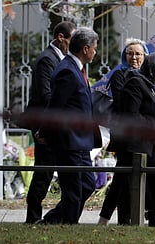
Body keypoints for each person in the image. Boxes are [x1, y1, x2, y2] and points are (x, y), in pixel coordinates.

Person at [37, 27, 99, 225]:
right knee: (73, 189)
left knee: (87, 185)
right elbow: (56, 106)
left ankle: (53, 219)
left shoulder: (75, 68)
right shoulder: (67, 71)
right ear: (85, 48)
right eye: (94, 49)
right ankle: (69, 226)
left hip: (81, 141)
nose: (96, 52)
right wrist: (44, 132)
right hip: (70, 140)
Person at [105, 53, 155, 226]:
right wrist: (154, 127)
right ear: (154, 69)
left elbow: (154, 112)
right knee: (125, 186)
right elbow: (131, 115)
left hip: (150, 144)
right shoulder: (136, 82)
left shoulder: (149, 85)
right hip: (136, 145)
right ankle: (128, 221)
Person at [24, 21, 76, 224]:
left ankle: (51, 216)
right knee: (43, 173)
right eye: (71, 40)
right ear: (61, 38)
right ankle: (33, 217)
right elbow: (46, 95)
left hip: (55, 124)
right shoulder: (47, 59)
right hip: (44, 125)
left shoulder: (60, 58)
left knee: (51, 171)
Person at [98, 38, 149, 225]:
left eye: (138, 54)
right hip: (125, 135)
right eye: (130, 53)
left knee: (126, 178)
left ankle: (121, 219)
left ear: (145, 57)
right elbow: (122, 104)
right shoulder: (119, 74)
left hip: (141, 136)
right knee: (122, 177)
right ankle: (114, 219)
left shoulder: (147, 75)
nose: (134, 57)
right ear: (124, 56)